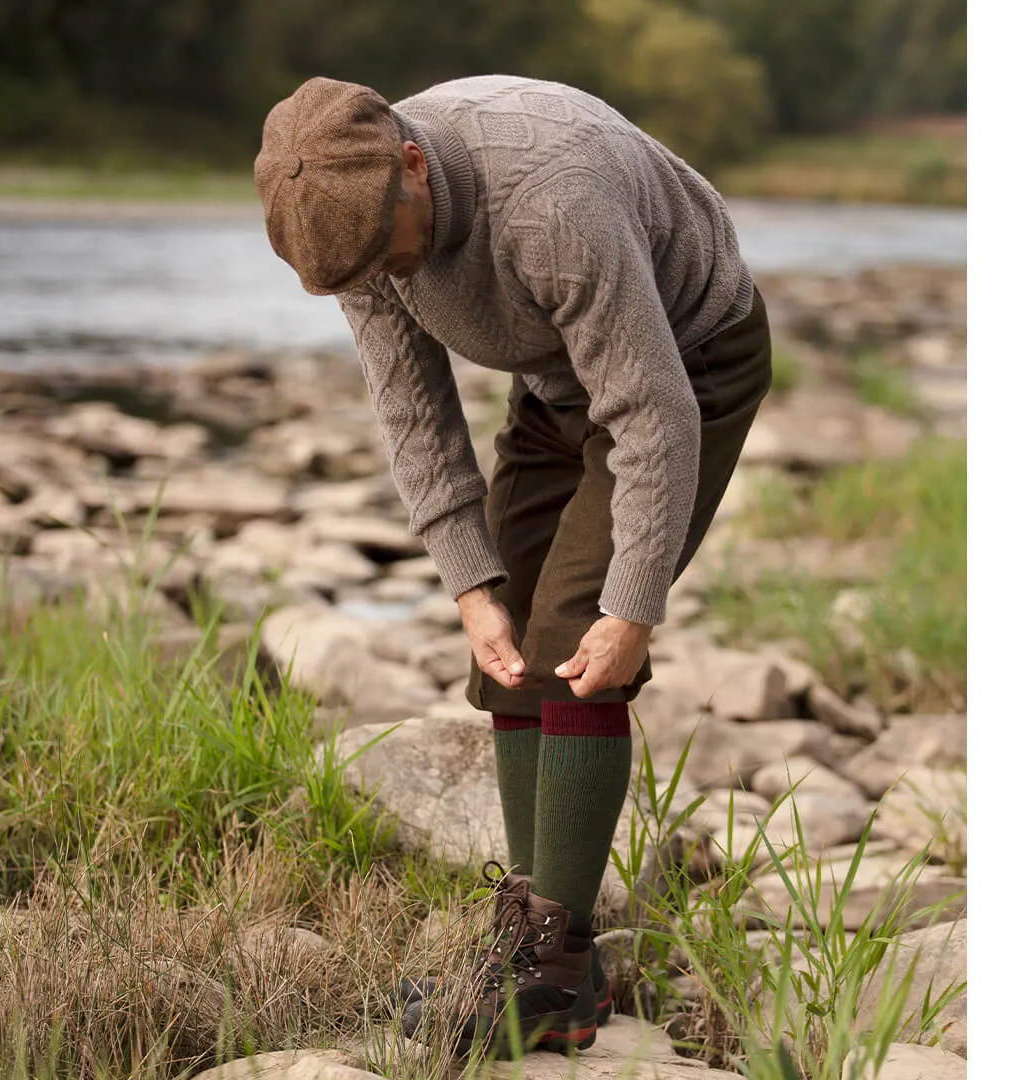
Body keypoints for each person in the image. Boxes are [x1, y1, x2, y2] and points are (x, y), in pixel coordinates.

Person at [254, 73, 772, 1057]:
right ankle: (540, 944)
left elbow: (652, 411)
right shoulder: (351, 221)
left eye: (389, 249)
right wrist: (468, 579)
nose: (388, 275)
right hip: (556, 382)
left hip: (689, 361)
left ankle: (552, 973)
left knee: (580, 636)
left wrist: (635, 604)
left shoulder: (550, 192)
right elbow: (411, 406)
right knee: (506, 652)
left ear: (413, 163)